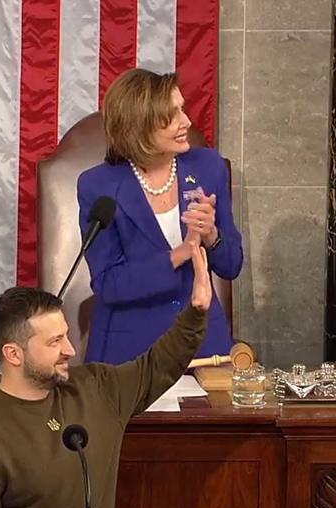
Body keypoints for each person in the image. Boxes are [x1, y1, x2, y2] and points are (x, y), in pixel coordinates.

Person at [0, 240, 212, 508]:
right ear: (13, 354)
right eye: (55, 341)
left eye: (66, 335)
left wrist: (196, 312)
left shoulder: (96, 388)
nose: (70, 349)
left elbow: (158, 365)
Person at [77, 68, 242, 365]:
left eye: (182, 108)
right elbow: (109, 283)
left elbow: (232, 265)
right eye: (172, 114)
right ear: (137, 127)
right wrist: (180, 254)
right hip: (130, 353)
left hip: (203, 345)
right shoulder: (98, 186)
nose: (186, 122)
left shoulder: (208, 167)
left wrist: (211, 236)